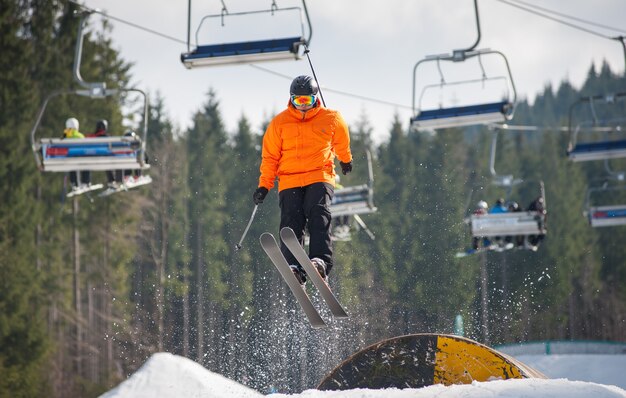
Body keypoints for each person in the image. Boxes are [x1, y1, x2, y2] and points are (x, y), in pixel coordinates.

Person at [253, 75, 353, 285]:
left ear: (315, 98)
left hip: (319, 175)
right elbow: (270, 157)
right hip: (289, 179)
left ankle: (320, 261)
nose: (303, 106)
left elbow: (341, 141)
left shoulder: (331, 117)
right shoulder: (279, 123)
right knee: (291, 221)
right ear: (291, 99)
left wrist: (345, 160)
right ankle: (294, 266)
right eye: (298, 101)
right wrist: (264, 185)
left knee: (318, 213)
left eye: (307, 101)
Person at [62, 117, 91, 190]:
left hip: (69, 158)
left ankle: (74, 183)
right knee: (86, 163)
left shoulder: (65, 136)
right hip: (81, 157)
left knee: (71, 165)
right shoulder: (80, 136)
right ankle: (85, 182)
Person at [86, 119, 116, 188]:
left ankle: (86, 182)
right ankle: (112, 181)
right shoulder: (109, 138)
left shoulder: (92, 137)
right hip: (106, 159)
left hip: (93, 159)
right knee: (109, 161)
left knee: (86, 161)